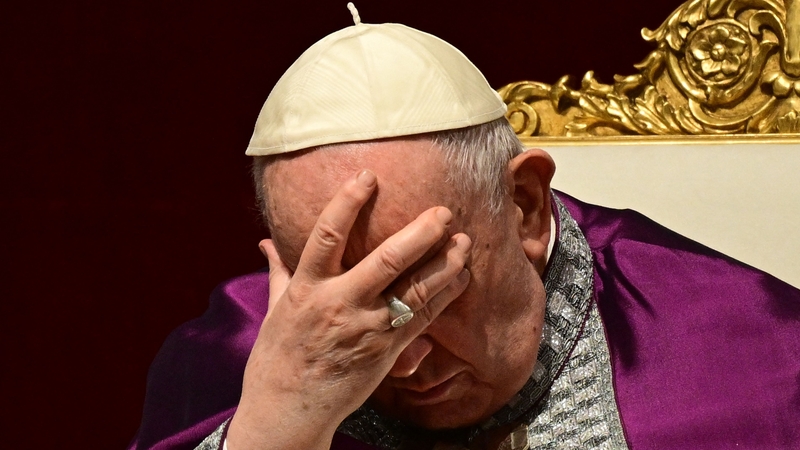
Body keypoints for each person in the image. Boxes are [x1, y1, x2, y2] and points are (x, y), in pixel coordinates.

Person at [129, 5, 800, 450]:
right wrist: (276, 426)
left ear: (525, 206)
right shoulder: (231, 354)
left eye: (429, 289)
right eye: (351, 296)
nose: (404, 358)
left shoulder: (757, 352)